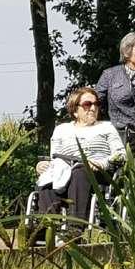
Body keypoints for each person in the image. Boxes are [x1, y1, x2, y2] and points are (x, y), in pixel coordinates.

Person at [36, 86, 125, 226]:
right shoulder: (61, 130)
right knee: (48, 179)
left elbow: (120, 155)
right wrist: (43, 166)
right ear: (75, 110)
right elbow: (54, 158)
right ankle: (46, 226)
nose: (93, 108)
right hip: (64, 170)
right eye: (87, 104)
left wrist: (101, 163)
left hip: (96, 173)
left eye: (96, 104)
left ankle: (75, 227)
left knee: (80, 171)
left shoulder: (106, 127)